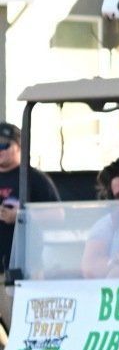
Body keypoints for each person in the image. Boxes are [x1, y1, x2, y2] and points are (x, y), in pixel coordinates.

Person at [0, 119, 58, 280]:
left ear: (19, 146)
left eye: (4, 145)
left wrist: (21, 216)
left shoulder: (34, 178)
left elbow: (58, 215)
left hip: (25, 268)